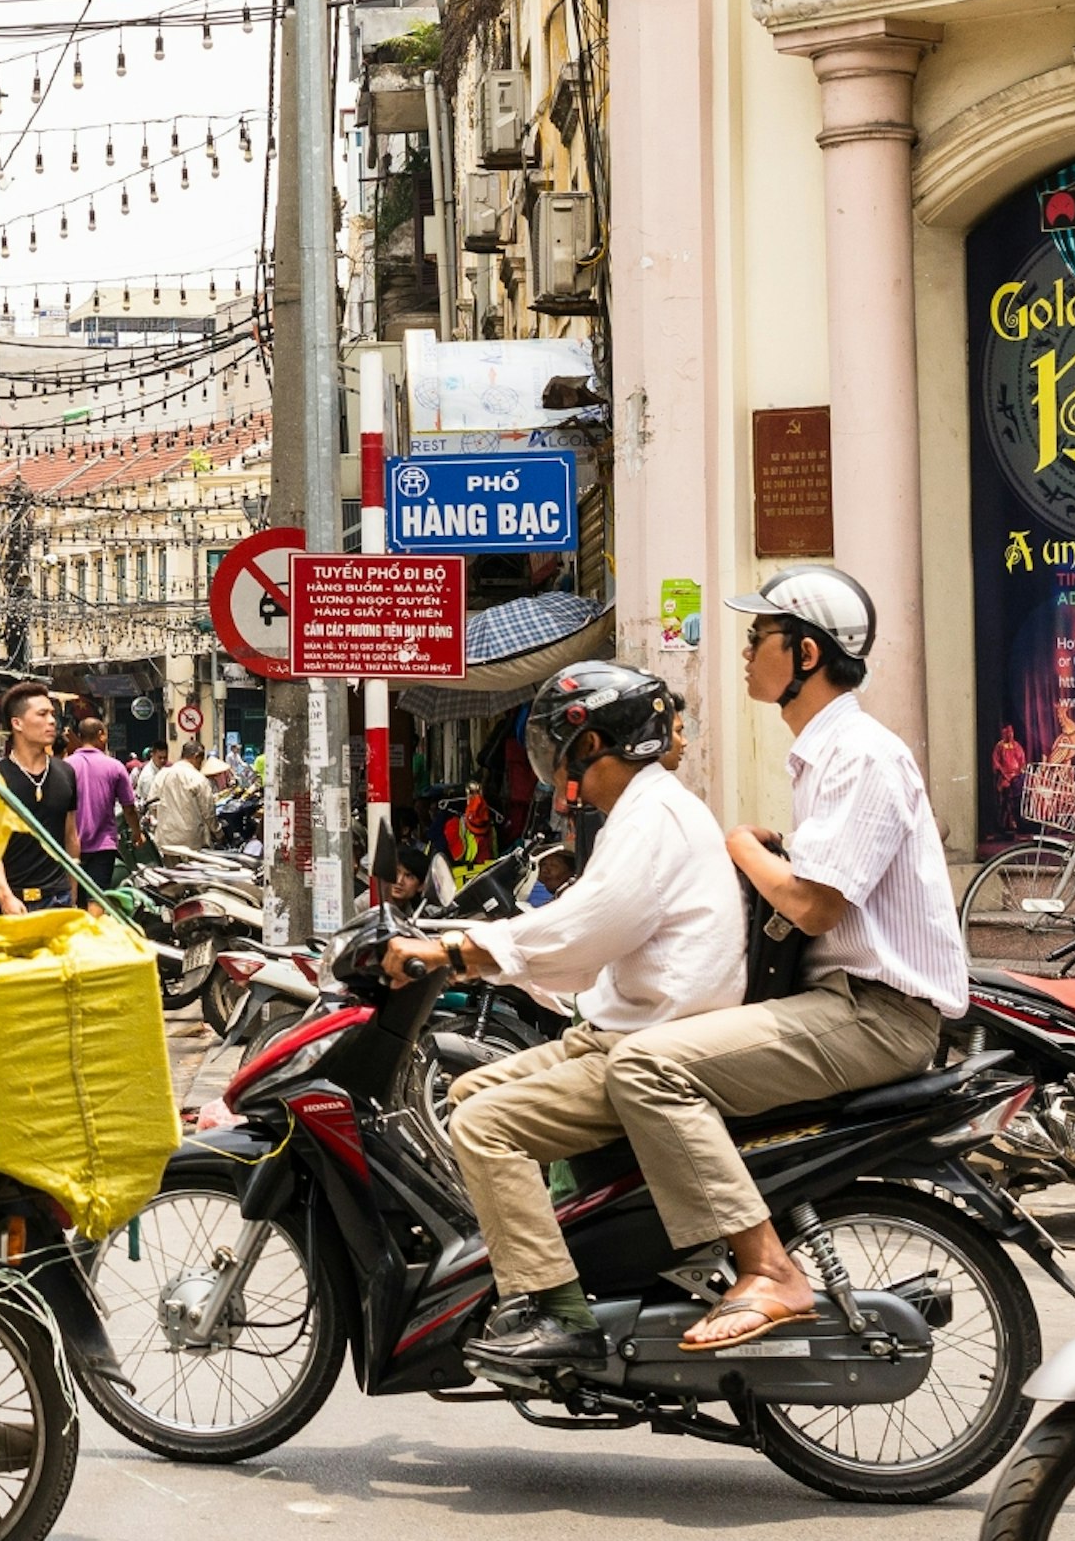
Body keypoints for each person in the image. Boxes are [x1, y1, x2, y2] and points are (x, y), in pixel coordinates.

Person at [598, 564, 968, 1353]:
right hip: (840, 1004)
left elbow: (814, 903)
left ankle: (769, 1268)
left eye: (759, 636)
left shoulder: (861, 753)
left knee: (644, 1067)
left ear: (804, 654)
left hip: (873, 1016)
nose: (743, 649)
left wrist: (738, 843)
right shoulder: (825, 754)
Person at [381, 662, 746, 1369]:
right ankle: (557, 1248)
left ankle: (561, 1310)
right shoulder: (636, 813)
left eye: (555, 742)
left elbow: (584, 933)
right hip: (624, 1026)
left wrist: (456, 949)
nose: (547, 759)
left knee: (484, 1127)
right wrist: (480, 946)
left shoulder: (651, 816)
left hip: (649, 1043)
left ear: (592, 744)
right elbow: (582, 952)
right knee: (466, 1091)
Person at [0, 681, 78, 908]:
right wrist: (5, 895)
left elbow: (70, 835)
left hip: (58, 897)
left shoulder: (65, 772)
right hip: (10, 901)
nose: (51, 721)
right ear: (17, 723)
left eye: (52, 714)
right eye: (42, 714)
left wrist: (73, 890)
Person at [66, 714, 135, 863]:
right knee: (100, 887)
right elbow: (128, 808)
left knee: (74, 887)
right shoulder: (115, 767)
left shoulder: (65, 766)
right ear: (101, 735)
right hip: (103, 847)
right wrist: (137, 833)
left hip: (70, 845)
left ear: (80, 736)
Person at [145, 739, 218, 854]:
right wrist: (219, 833)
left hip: (166, 841)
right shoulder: (198, 778)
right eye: (201, 761)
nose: (200, 765)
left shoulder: (162, 775)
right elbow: (208, 812)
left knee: (170, 871)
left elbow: (152, 805)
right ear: (196, 756)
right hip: (192, 843)